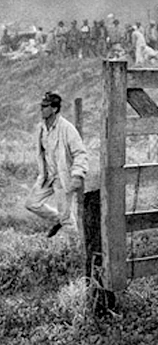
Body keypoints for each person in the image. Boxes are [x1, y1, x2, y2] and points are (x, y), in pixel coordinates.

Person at [26, 92, 88, 239]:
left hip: (63, 176)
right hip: (47, 176)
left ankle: (76, 248)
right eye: (41, 106)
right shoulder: (41, 128)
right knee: (31, 203)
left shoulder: (67, 128)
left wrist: (78, 174)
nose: (41, 109)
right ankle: (58, 220)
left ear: (54, 109)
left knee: (67, 218)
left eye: (45, 107)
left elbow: (80, 153)